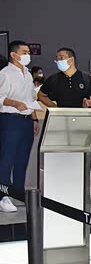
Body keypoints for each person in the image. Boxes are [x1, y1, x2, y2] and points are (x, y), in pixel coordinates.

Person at [0, 41, 39, 213]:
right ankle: (3, 195)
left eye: (28, 52)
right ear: (13, 55)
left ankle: (18, 191)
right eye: (24, 52)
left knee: (22, 158)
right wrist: (15, 103)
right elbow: (1, 98)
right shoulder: (5, 74)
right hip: (10, 119)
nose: (27, 55)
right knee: (7, 158)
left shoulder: (28, 74)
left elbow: (31, 98)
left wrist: (34, 119)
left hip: (26, 120)